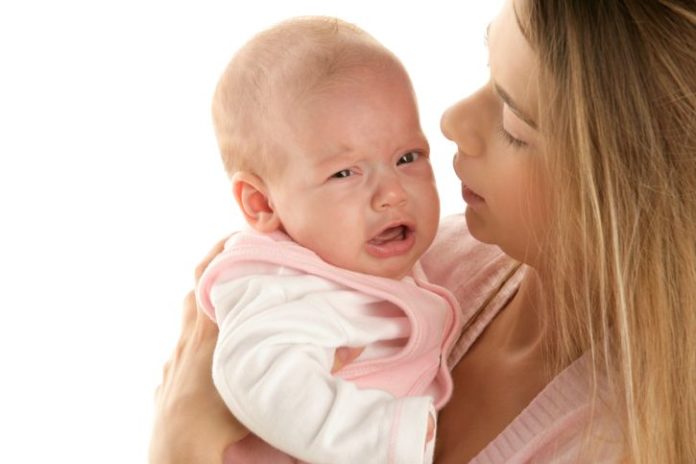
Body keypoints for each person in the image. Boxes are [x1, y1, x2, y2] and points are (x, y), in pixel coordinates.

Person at [150, 0, 696, 462]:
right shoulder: (415, 257)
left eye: (513, 124)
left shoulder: (625, 438)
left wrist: (180, 443)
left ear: (631, 191)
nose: (452, 121)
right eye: (487, 70)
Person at [193, 16, 460, 464]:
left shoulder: (359, 261)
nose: (392, 193)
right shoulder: (280, 282)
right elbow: (256, 372)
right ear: (261, 203)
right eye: (343, 173)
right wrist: (382, 437)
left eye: (407, 157)